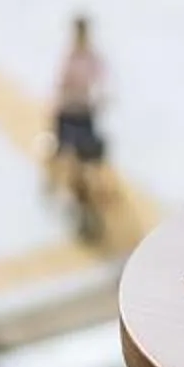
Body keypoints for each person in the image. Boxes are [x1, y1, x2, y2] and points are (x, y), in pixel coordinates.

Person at [49, 13, 108, 229]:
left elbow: (102, 80)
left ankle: (87, 198)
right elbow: (61, 85)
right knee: (70, 158)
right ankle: (75, 195)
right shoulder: (72, 57)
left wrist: (99, 98)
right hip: (69, 111)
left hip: (82, 111)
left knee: (86, 158)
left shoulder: (89, 57)